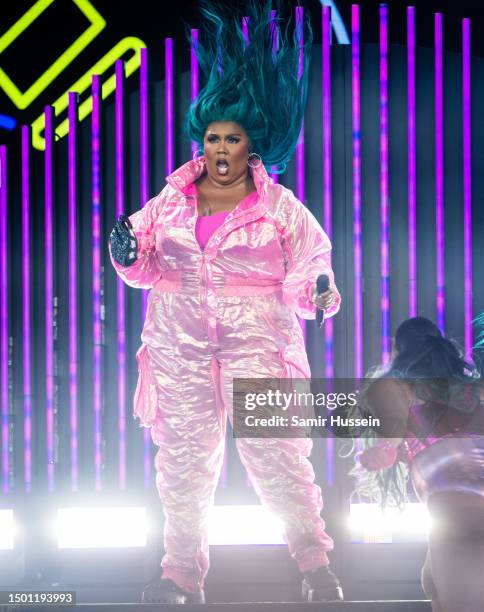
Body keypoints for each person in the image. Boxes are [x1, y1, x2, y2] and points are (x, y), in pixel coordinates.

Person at [109, 1, 342, 604]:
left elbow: (311, 267)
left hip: (260, 339)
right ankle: (179, 575)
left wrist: (317, 291)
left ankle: (314, 564)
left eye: (231, 138)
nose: (219, 147)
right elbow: (144, 269)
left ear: (251, 145)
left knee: (278, 457)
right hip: (179, 342)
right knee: (182, 464)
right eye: (211, 136)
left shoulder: (281, 207)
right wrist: (128, 253)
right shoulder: (169, 203)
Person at [355, 316, 484, 612]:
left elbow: (392, 432)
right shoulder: (474, 390)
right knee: (430, 580)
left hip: (454, 505)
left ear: (397, 351)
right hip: (460, 508)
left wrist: (383, 451)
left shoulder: (393, 385)